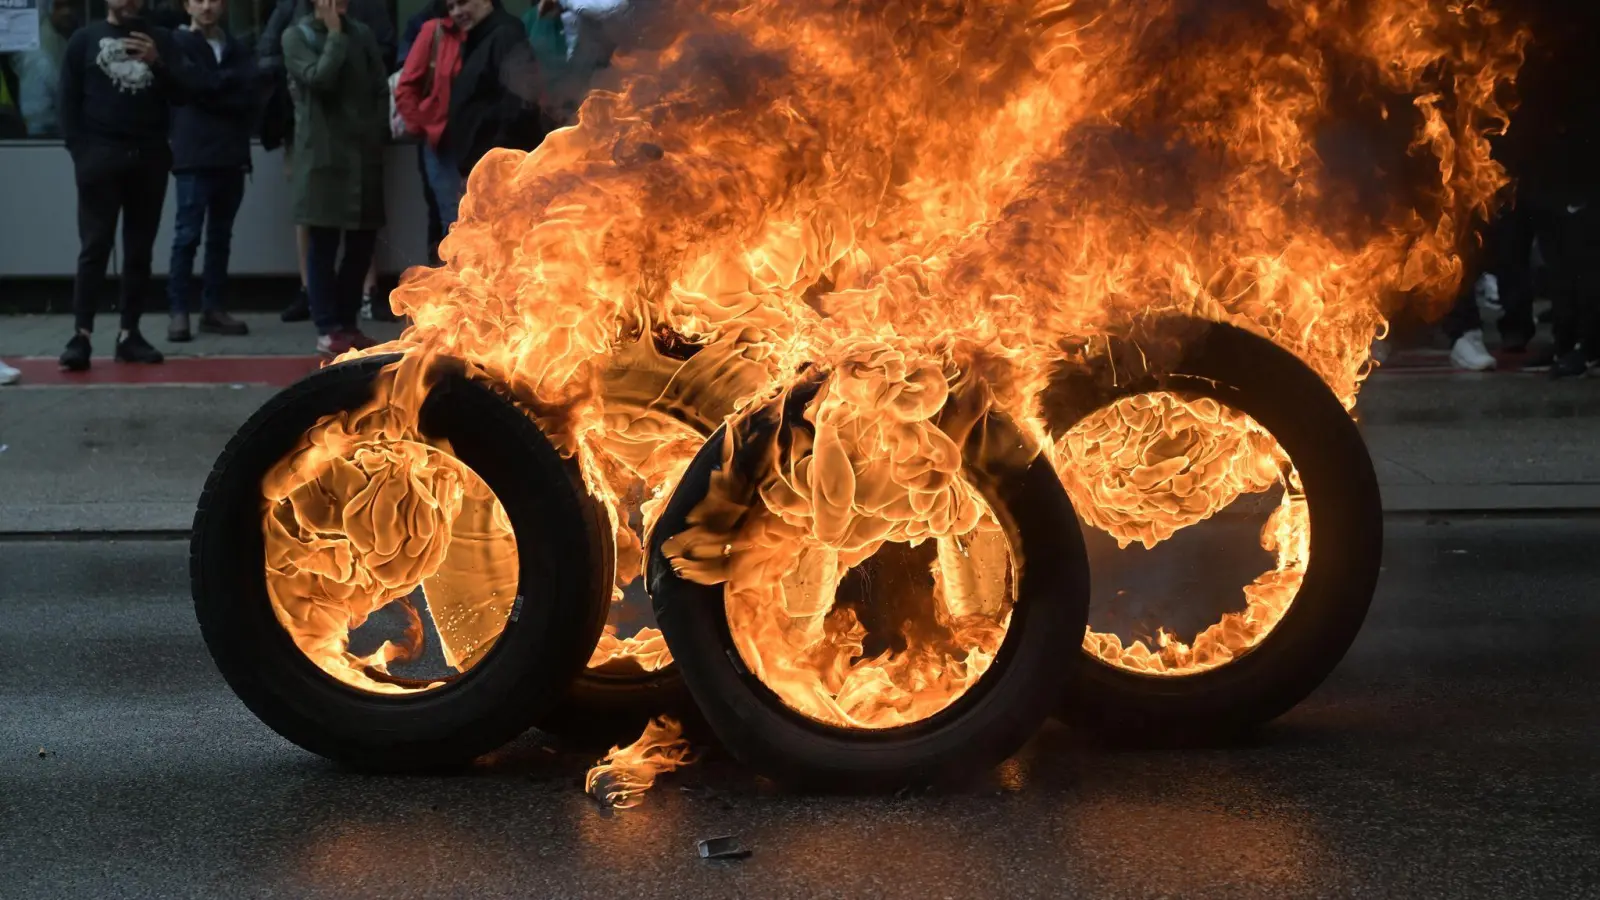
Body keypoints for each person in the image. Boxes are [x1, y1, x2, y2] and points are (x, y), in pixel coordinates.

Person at [56, 0, 185, 370]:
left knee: (139, 250)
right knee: (95, 246)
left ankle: (130, 333)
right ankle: (81, 335)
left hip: (148, 158)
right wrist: (82, 154)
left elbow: (186, 93)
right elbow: (67, 100)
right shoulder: (84, 40)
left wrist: (157, 62)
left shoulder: (159, 39)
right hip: (100, 158)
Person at [260, 0, 394, 323]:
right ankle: (326, 325)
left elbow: (380, 87)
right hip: (322, 157)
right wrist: (334, 36)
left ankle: (347, 322)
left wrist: (375, 133)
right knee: (323, 242)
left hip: (361, 156)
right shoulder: (296, 36)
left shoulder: (362, 32)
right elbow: (319, 79)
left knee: (362, 242)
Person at [165, 0, 255, 342]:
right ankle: (179, 312)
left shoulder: (235, 45)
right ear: (186, 5)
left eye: (213, 0)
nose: (206, 6)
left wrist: (209, 86)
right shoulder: (176, 43)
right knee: (186, 237)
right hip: (194, 156)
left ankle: (212, 309)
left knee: (220, 238)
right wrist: (221, 86)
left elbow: (249, 93)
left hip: (231, 155)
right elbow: (189, 85)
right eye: (198, 0)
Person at [446, 0, 548, 180]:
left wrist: (498, 161)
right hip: (482, 169)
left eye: (462, 2)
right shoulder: (479, 41)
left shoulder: (505, 35)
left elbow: (521, 104)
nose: (456, 12)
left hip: (502, 171)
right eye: (450, 7)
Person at [394, 0, 465, 235]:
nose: (459, 10)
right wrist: (424, 126)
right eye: (453, 5)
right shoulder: (434, 30)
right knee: (453, 221)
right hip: (442, 144)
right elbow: (405, 87)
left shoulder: (495, 32)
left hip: (482, 143)